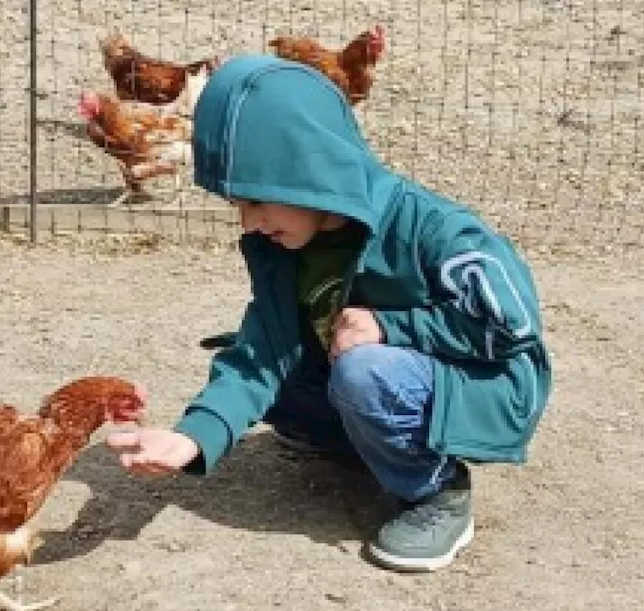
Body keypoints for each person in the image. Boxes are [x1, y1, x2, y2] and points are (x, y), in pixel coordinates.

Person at [105, 55, 552, 572]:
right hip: (376, 367)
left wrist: (392, 326)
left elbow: (513, 326)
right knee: (272, 353)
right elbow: (260, 353)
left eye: (256, 201)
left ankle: (436, 492)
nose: (249, 222)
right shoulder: (284, 246)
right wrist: (191, 437)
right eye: (238, 206)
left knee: (365, 371)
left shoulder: (435, 231)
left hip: (480, 381)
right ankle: (357, 435)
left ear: (306, 171)